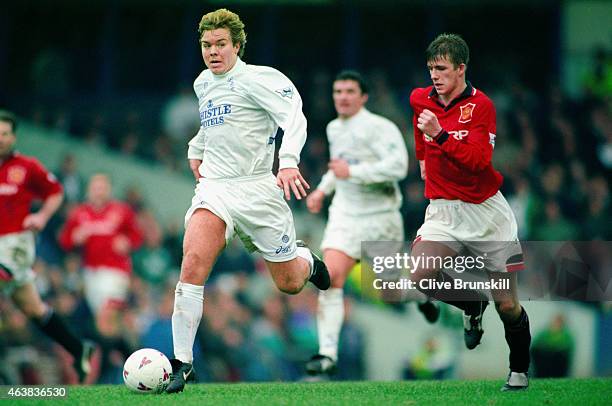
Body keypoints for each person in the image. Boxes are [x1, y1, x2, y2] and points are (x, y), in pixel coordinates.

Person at [166, 8, 330, 393]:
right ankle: (182, 363)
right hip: (216, 189)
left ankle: (306, 259)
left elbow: (295, 117)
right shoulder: (203, 83)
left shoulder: (259, 79)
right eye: (206, 45)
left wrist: (287, 163)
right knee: (192, 262)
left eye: (221, 44)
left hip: (258, 189)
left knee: (289, 283)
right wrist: (196, 146)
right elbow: (213, 125)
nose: (213, 51)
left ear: (237, 46)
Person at [409, 34, 531, 391]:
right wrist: (421, 160)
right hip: (445, 212)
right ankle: (471, 305)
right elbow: (420, 131)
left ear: (461, 69)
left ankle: (519, 370)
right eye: (431, 68)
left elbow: (479, 162)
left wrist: (441, 136)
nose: (435, 75)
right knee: (420, 276)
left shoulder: (481, 107)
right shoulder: (420, 98)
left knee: (507, 306)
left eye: (442, 68)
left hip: (487, 214)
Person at [304, 71, 438, 377]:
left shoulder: (381, 127)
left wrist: (353, 172)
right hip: (345, 215)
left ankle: (420, 296)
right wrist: (323, 190)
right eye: (338, 91)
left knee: (390, 287)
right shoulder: (333, 128)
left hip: (381, 216)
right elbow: (338, 166)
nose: (343, 96)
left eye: (350, 91)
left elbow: (397, 167)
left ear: (363, 97)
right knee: (331, 277)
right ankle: (327, 353)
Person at [0, 110, 98, 383]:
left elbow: (55, 192)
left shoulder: (27, 166)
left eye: (5, 134)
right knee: (34, 309)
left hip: (15, 243)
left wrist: (42, 216)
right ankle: (79, 349)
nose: (0, 139)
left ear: (14, 137)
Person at [59, 174, 143, 320]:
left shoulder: (121, 210)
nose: (99, 192)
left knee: (108, 313)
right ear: (89, 190)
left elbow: (138, 236)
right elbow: (64, 240)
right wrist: (74, 237)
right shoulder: (80, 212)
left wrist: (127, 242)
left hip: (115, 270)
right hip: (90, 271)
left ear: (109, 190)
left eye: (102, 188)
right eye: (95, 188)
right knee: (97, 314)